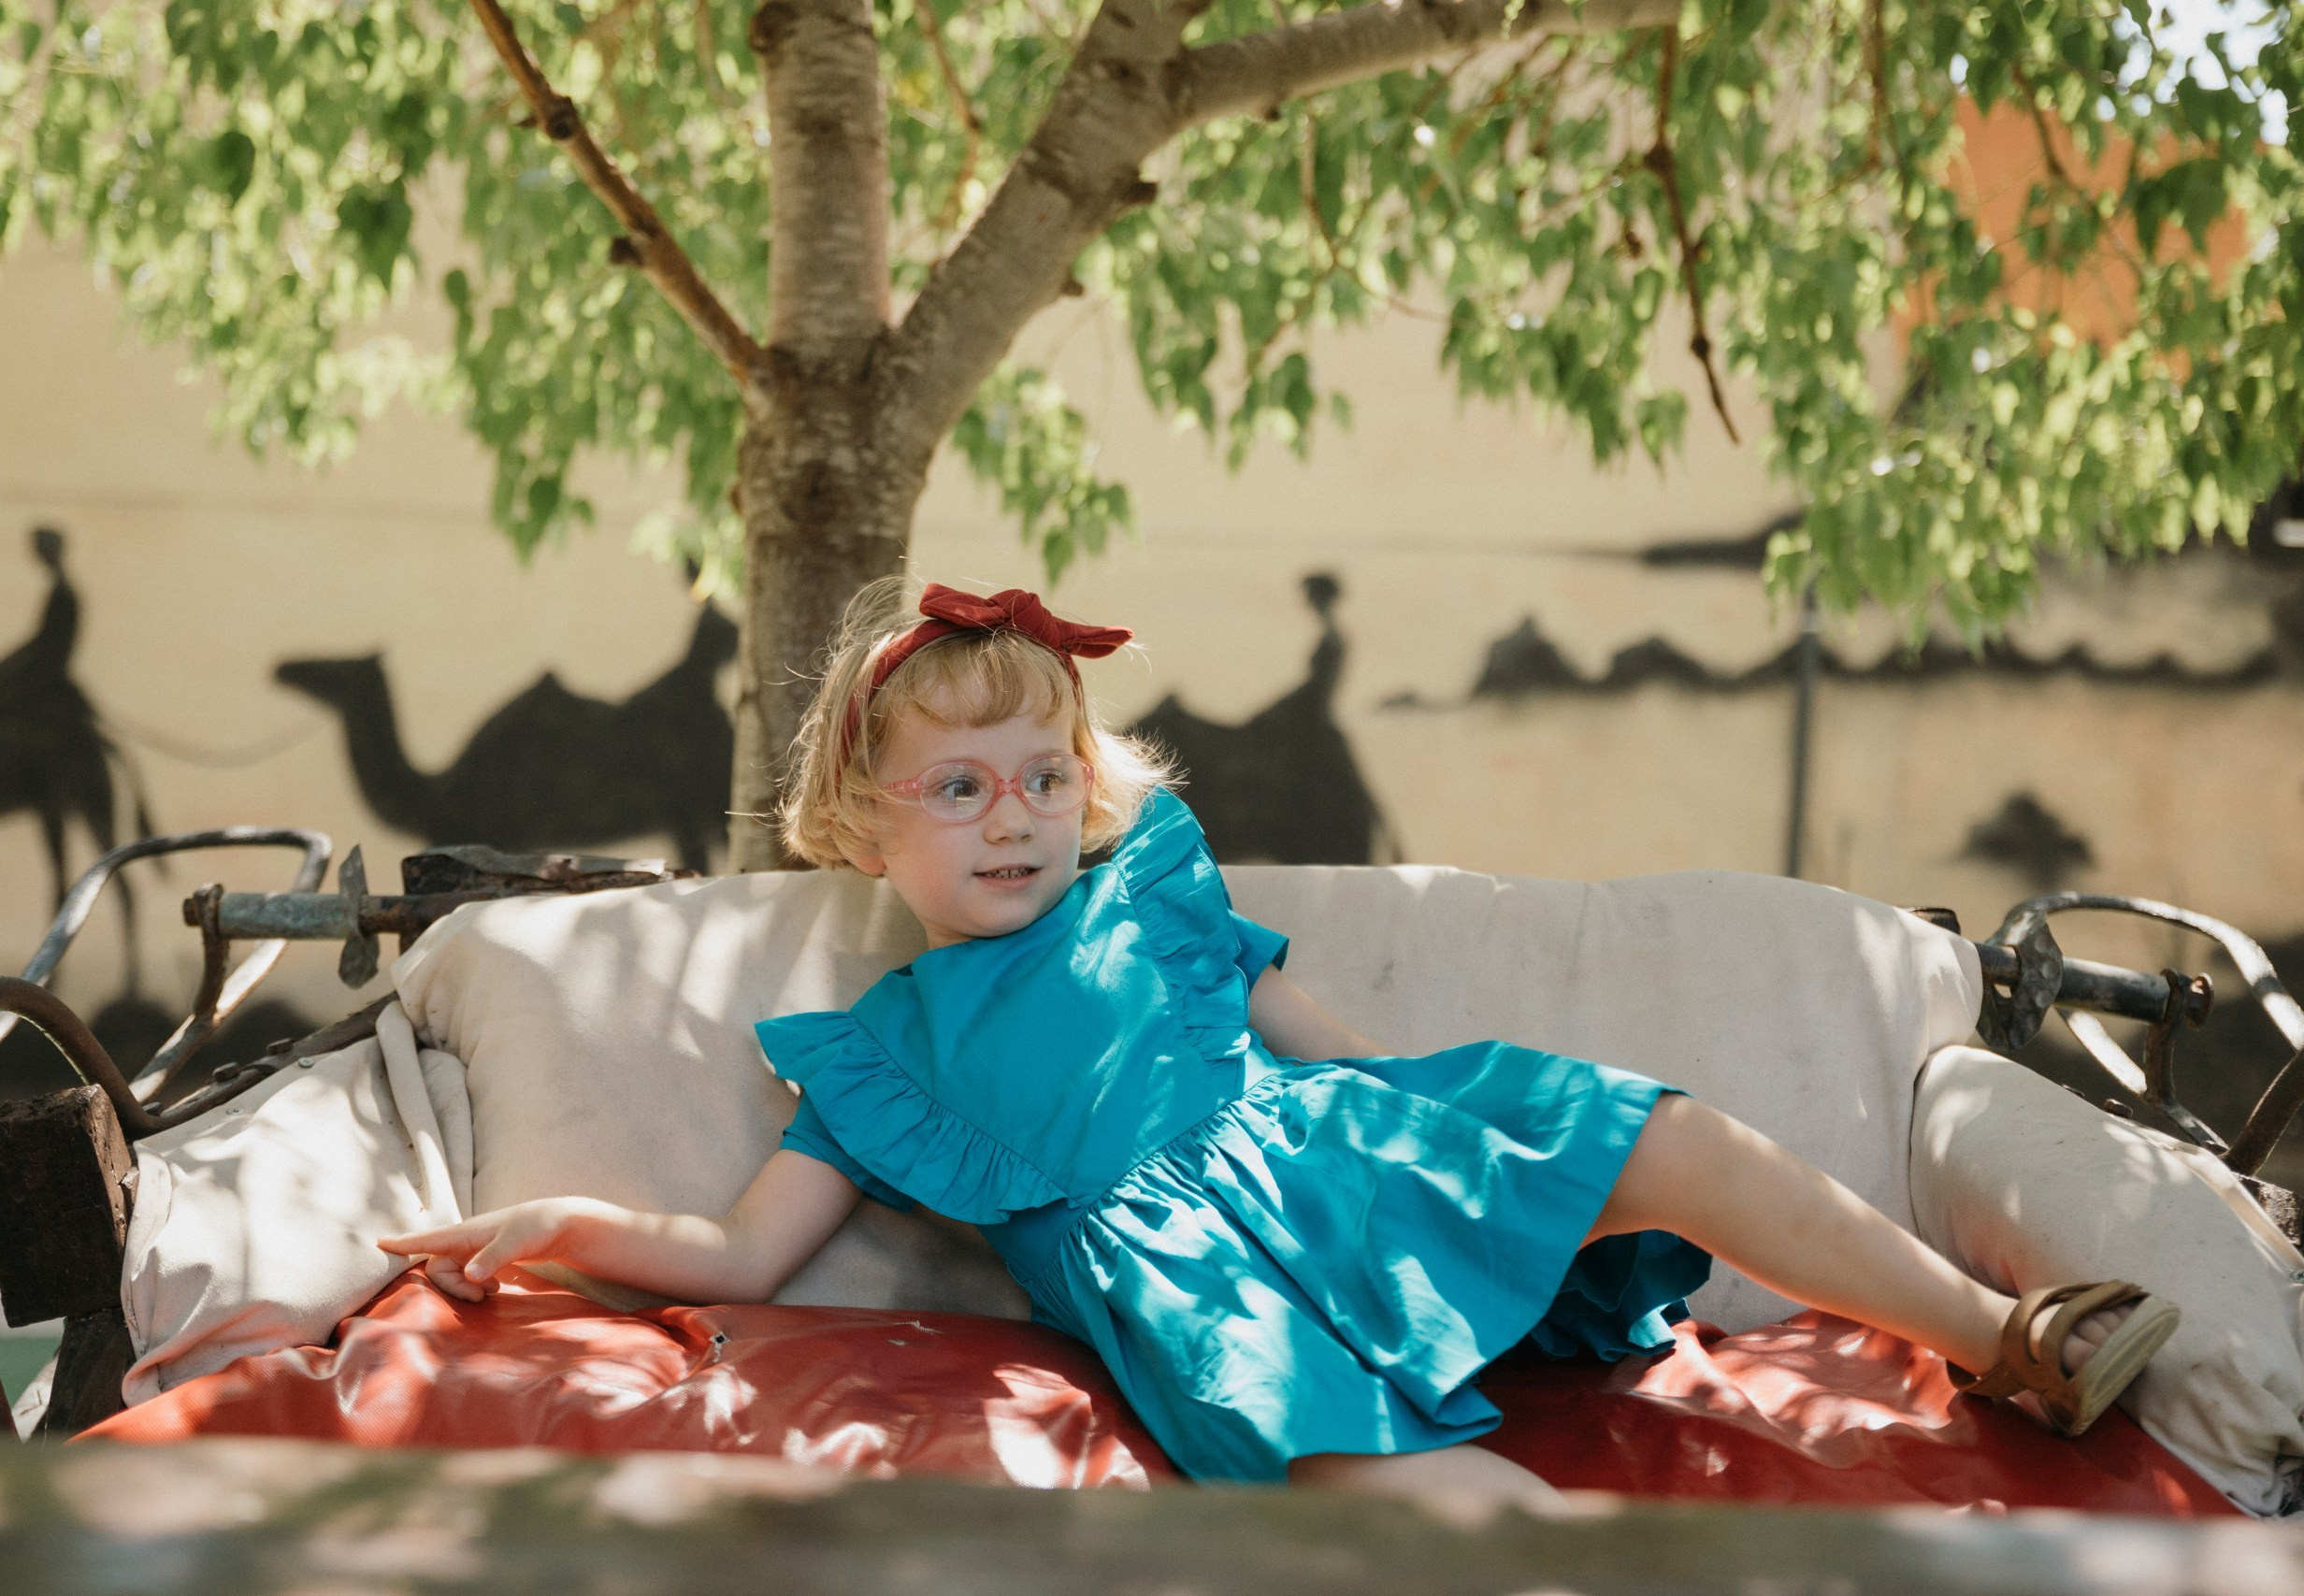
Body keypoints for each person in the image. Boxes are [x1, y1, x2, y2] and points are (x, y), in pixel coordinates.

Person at [382, 579, 2181, 1504]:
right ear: (862, 825)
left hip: (1336, 1155)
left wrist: (1427, 1111)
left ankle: (1999, 1337)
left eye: (1039, 778)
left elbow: (1305, 1029)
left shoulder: (1147, 883)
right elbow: (740, 1253)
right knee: (1408, 1502)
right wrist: (545, 1233)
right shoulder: (881, 1044)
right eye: (958, 787)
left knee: (1667, 1134)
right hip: (1195, 1296)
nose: (1012, 818)